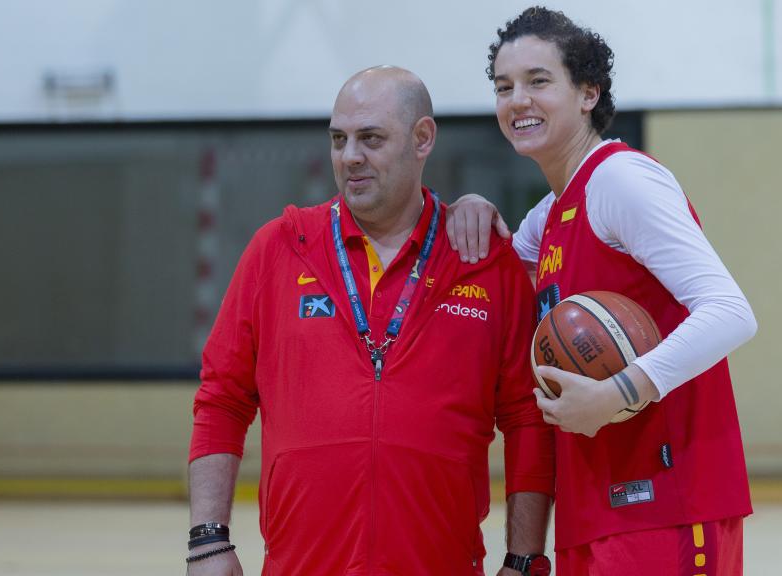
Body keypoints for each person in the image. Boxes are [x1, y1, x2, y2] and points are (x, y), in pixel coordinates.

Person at [186, 66, 555, 576]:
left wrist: (524, 557)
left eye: (371, 138)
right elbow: (221, 399)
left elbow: (526, 418)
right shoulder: (280, 248)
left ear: (422, 139)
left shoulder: (484, 261)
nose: (350, 156)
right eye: (338, 139)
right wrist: (208, 541)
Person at [446, 7, 758, 575]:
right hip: (595, 510)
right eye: (504, 87)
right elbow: (489, 277)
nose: (518, 100)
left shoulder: (620, 180)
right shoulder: (550, 215)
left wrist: (619, 391)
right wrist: (470, 206)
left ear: (588, 93)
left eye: (539, 81)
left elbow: (731, 311)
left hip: (668, 504)